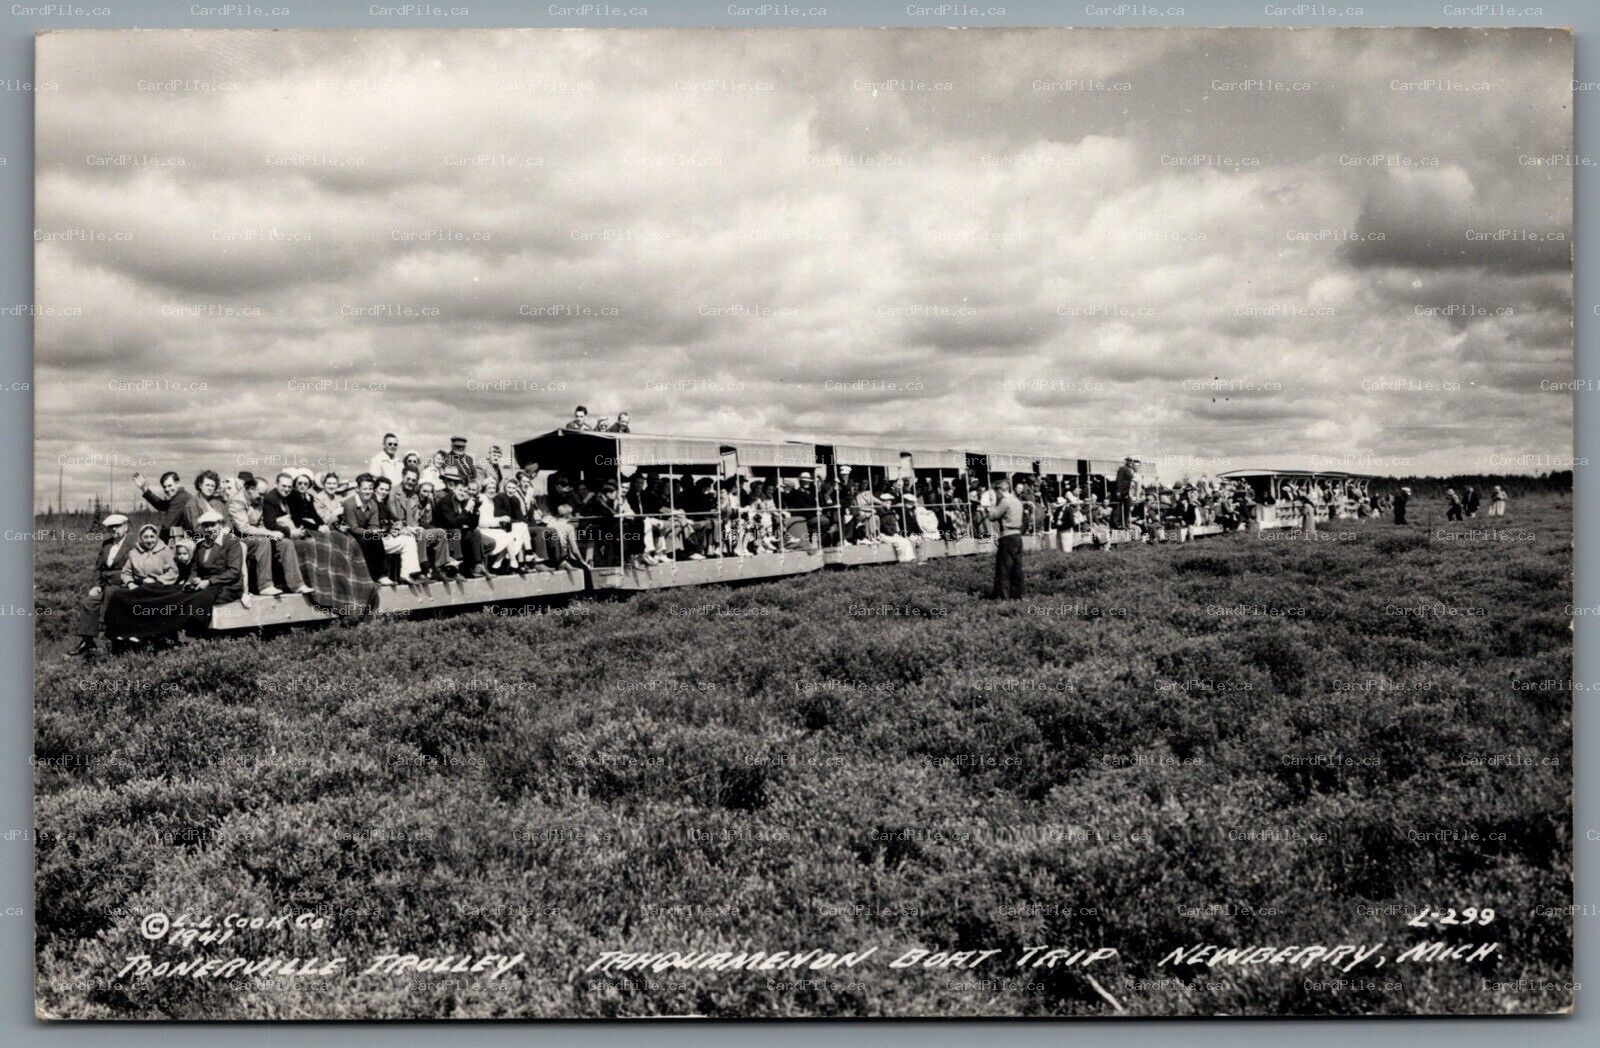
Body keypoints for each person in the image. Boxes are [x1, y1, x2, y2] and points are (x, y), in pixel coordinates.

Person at [228, 475, 314, 596]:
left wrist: (274, 535)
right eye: (261, 493)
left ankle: (297, 584)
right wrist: (269, 533)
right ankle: (265, 585)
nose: (263, 497)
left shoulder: (258, 500)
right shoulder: (237, 501)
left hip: (255, 535)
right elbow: (243, 528)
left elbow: (261, 524)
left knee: (285, 542)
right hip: (237, 539)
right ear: (251, 489)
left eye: (264, 494)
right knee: (263, 542)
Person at [67, 513, 134, 656]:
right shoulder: (106, 544)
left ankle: (110, 635)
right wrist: (96, 585)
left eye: (117, 526)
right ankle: (87, 641)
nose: (113, 530)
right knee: (88, 603)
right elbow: (98, 568)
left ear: (125, 527)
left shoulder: (133, 543)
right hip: (105, 585)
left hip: (124, 585)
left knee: (111, 598)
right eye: (110, 528)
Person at [390, 468, 453, 579]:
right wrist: (409, 529)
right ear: (403, 477)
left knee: (441, 533)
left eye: (413, 480)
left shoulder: (414, 496)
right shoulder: (393, 493)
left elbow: (417, 519)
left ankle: (440, 568)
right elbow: (394, 518)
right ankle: (422, 570)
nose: (410, 482)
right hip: (399, 531)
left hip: (412, 529)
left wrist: (417, 525)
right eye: (408, 478)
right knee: (421, 535)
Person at [432, 471, 486, 578]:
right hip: (443, 533)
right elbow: (453, 523)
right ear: (454, 490)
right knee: (456, 532)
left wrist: (475, 510)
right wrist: (466, 509)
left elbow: (473, 525)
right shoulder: (445, 502)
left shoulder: (463, 501)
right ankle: (455, 568)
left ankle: (478, 565)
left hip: (456, 532)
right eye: (460, 490)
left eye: (465, 491)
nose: (462, 493)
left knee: (475, 532)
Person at [343, 473, 394, 585]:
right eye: (364, 489)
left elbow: (374, 524)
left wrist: (374, 531)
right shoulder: (349, 504)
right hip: (349, 533)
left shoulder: (373, 504)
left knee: (377, 538)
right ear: (357, 489)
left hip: (365, 533)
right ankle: (367, 576)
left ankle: (382, 575)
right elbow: (354, 528)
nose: (368, 492)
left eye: (370, 489)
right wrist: (370, 532)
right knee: (365, 541)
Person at [372, 476, 425, 581]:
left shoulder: (383, 503)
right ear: (375, 489)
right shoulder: (372, 502)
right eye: (381, 489)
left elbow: (395, 520)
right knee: (407, 539)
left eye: (387, 490)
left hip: (385, 537)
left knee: (409, 539)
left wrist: (407, 528)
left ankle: (406, 574)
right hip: (374, 539)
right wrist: (396, 530)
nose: (384, 492)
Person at [133, 470, 204, 540]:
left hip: (192, 541)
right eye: (164, 487)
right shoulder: (181, 496)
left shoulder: (180, 499)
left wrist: (158, 545)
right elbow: (161, 505)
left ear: (177, 484)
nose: (167, 489)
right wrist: (143, 488)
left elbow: (166, 527)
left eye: (170, 486)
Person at [476, 477, 528, 573]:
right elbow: (481, 523)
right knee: (507, 535)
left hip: (489, 528)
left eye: (493, 488)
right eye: (489, 488)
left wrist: (500, 520)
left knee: (512, 533)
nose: (492, 491)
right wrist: (499, 520)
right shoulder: (481, 499)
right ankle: (513, 562)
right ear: (484, 489)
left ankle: (499, 563)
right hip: (480, 530)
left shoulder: (490, 500)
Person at [987, 478, 1025, 599]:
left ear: (999, 490)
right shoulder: (1017, 501)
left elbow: (992, 516)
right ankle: (1017, 596)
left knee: (1004, 569)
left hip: (1007, 537)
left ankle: (1003, 598)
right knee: (1016, 568)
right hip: (1017, 536)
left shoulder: (1005, 501)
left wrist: (992, 503)